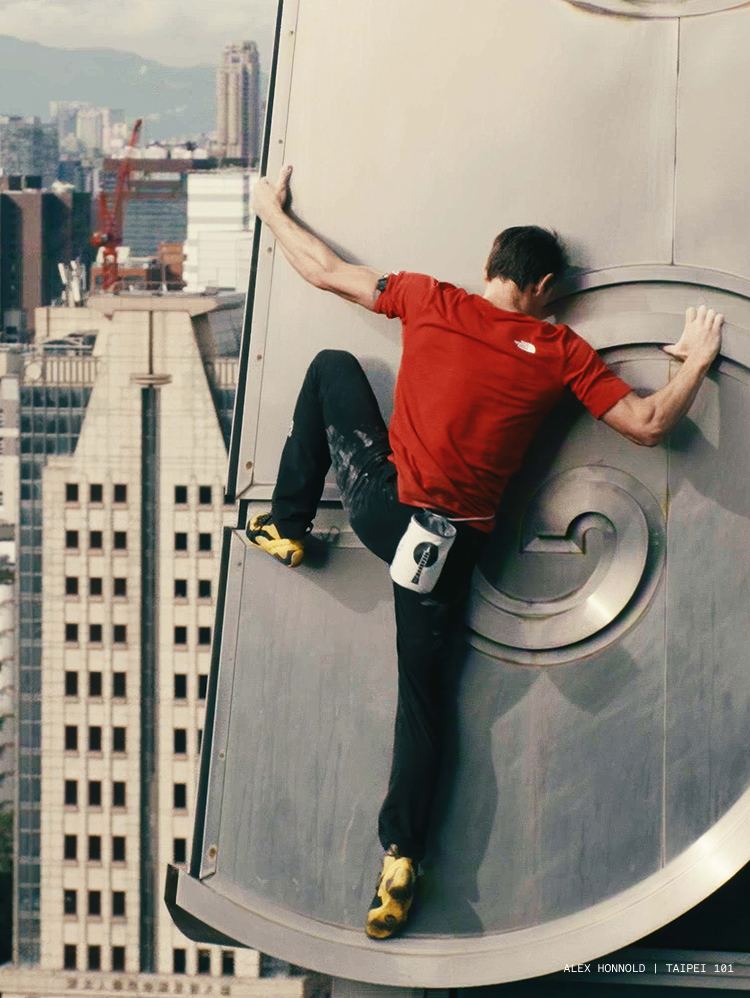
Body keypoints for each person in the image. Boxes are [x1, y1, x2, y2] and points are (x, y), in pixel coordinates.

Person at [247, 165, 724, 940]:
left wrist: (271, 209)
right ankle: (401, 855)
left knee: (334, 367)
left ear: (488, 269)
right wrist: (695, 361)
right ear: (542, 285)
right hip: (449, 547)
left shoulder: (432, 298)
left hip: (381, 509)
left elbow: (323, 269)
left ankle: (288, 524)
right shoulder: (560, 349)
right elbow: (645, 424)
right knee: (426, 705)